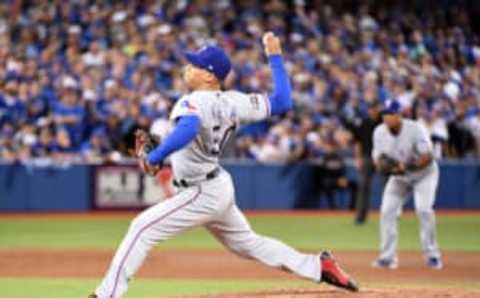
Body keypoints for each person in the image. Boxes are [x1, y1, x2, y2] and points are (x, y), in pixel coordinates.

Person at [89, 32, 358, 298]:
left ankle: (106, 295)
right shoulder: (235, 101)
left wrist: (155, 157)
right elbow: (283, 101)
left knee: (142, 228)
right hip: (216, 184)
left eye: (194, 65)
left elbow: (189, 129)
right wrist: (275, 56)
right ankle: (318, 266)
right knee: (248, 244)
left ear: (208, 75)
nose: (186, 67)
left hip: (200, 192)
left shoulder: (191, 101)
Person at [371, 100, 442, 270]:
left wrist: (406, 166)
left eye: (390, 114)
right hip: (400, 178)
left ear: (399, 115)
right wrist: (386, 166)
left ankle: (432, 255)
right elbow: (379, 160)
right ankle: (387, 257)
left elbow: (427, 158)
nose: (386, 117)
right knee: (387, 211)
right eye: (384, 114)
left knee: (424, 209)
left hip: (424, 175)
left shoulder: (415, 129)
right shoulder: (379, 132)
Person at [347, 101, 382, 224]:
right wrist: (358, 158)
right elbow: (358, 142)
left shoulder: (384, 122)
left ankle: (391, 215)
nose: (373, 111)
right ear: (368, 110)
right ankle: (360, 216)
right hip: (367, 157)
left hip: (383, 158)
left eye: (375, 108)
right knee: (363, 186)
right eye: (371, 109)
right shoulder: (364, 123)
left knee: (389, 187)